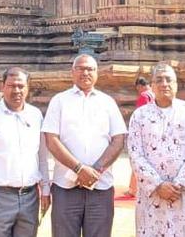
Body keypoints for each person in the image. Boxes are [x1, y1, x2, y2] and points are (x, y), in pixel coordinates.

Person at [43, 53, 128, 237]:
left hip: (100, 186)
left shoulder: (107, 102)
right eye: (80, 68)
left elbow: (119, 139)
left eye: (90, 69)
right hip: (66, 187)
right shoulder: (59, 101)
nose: (85, 72)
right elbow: (51, 139)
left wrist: (95, 170)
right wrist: (79, 168)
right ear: (72, 72)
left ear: (97, 73)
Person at [127, 63, 185, 237]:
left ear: (176, 84)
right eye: (159, 80)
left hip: (184, 195)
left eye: (169, 79)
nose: (164, 84)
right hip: (152, 197)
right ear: (152, 86)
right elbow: (135, 154)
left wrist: (178, 185)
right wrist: (158, 185)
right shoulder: (139, 116)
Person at [0, 67, 51, 237]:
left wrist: (45, 190)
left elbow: (42, 157)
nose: (16, 90)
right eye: (11, 85)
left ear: (27, 87)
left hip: (30, 197)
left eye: (21, 86)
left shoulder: (36, 116)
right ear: (2, 86)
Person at [124, 75, 154, 198]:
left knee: (136, 160)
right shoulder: (155, 94)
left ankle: (133, 189)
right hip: (155, 133)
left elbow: (142, 115)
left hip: (144, 133)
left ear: (139, 86)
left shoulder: (144, 96)